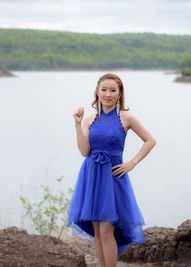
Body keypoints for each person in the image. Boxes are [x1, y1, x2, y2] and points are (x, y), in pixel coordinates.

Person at [67, 73, 156, 267]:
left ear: (119, 93)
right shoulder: (90, 119)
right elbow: (84, 151)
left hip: (113, 176)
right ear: (97, 92)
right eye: (104, 90)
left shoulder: (126, 117)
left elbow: (150, 141)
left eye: (113, 90)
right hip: (91, 175)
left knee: (107, 230)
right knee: (97, 231)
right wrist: (77, 123)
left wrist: (132, 163)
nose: (108, 94)